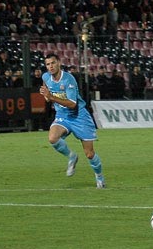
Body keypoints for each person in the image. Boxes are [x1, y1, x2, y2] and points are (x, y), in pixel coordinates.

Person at [40, 53, 105, 188]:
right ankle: (72, 156)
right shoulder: (45, 77)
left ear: (59, 63)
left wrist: (51, 97)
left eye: (53, 63)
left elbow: (72, 104)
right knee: (52, 138)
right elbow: (46, 92)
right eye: (48, 64)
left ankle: (99, 177)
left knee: (89, 153)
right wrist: (46, 96)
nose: (50, 67)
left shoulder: (68, 79)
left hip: (79, 116)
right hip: (63, 115)